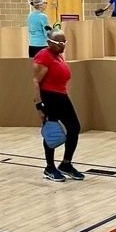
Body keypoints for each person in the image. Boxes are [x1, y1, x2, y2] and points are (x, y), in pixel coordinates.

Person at [33, 30, 83, 182]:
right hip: (49, 97)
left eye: (64, 43)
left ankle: (66, 164)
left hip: (61, 95)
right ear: (49, 43)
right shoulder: (43, 56)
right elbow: (35, 81)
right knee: (52, 131)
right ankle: (49, 168)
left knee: (74, 127)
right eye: (59, 43)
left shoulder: (57, 54)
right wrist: (39, 106)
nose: (63, 46)